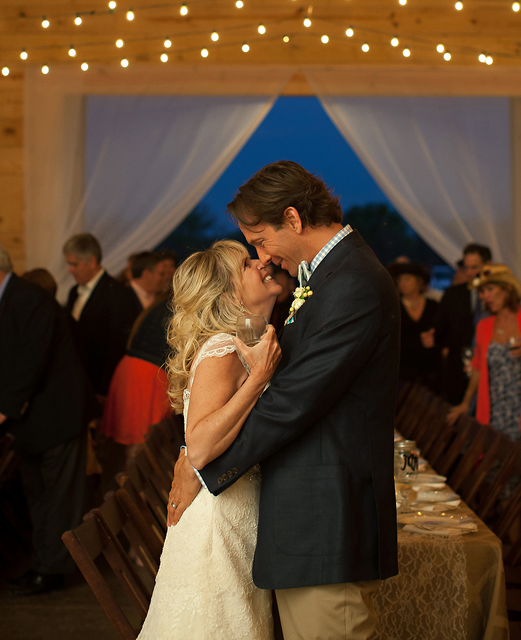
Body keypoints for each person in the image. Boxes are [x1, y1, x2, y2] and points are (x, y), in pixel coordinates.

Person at [168, 161, 400, 640]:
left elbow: (292, 401)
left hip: (325, 521)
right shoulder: (329, 277)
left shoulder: (351, 281)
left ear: (292, 219)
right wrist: (194, 451)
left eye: (260, 240)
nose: (263, 257)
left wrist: (201, 464)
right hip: (308, 522)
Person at [137, 240, 282, 639]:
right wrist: (258, 380)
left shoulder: (246, 342)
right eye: (246, 264)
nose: (261, 263)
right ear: (229, 294)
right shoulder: (224, 347)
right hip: (218, 525)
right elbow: (200, 446)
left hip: (236, 512)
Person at [0, 240, 99, 596]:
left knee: (58, 497)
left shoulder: (26, 297)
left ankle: (53, 571)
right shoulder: (12, 298)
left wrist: (2, 410)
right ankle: (43, 563)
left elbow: (31, 359)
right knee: (39, 494)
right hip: (36, 419)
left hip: (56, 416)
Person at [447, 264, 521, 454]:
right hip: (494, 411)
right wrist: (466, 403)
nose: (484, 296)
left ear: (507, 289)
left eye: (490, 289)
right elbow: (477, 367)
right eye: (482, 291)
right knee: (494, 464)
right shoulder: (484, 325)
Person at [64, 233, 139, 400]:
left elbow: (117, 347)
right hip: (76, 382)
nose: (70, 270)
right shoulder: (73, 292)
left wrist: (103, 391)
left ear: (92, 262)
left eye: (74, 264)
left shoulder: (117, 294)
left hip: (101, 387)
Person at [101, 292, 173, 453]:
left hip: (132, 370)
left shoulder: (163, 302)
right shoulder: (176, 305)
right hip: (148, 376)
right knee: (143, 451)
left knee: (135, 451)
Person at [424, 242, 492, 404]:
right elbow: (439, 328)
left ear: (488, 265)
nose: (469, 273)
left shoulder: (498, 294)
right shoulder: (453, 294)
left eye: (474, 267)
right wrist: (431, 335)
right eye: (466, 268)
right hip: (459, 369)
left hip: (490, 367)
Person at [391, 263, 440, 390]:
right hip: (401, 373)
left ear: (419, 282)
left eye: (407, 279)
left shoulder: (433, 306)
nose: (402, 283)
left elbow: (442, 335)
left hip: (430, 372)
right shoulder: (394, 308)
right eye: (400, 279)